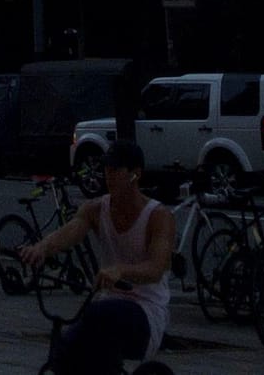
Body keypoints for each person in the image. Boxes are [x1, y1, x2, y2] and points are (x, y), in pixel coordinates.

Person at [25, 136, 175, 375]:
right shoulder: (95, 209)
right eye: (106, 167)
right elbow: (71, 231)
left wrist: (121, 271)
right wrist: (42, 247)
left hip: (146, 312)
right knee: (63, 353)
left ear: (135, 174)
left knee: (98, 317)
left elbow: (156, 269)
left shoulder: (158, 216)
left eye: (116, 169)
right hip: (106, 305)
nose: (108, 174)